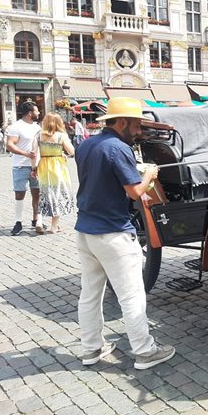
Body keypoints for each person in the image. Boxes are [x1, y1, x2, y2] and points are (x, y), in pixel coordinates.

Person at [75, 97, 174, 369]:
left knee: (90, 294)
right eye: (136, 125)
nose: (139, 131)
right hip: (113, 233)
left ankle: (91, 350)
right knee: (131, 295)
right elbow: (134, 192)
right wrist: (149, 175)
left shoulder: (85, 145)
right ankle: (145, 351)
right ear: (121, 123)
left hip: (85, 230)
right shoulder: (118, 148)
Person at [33, 112, 75, 234]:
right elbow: (72, 151)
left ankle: (39, 221)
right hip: (57, 166)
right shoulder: (61, 135)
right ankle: (53, 226)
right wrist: (61, 152)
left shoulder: (39, 135)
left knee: (44, 193)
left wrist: (33, 168)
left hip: (43, 165)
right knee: (58, 194)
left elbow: (34, 152)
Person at [6, 102, 42, 235]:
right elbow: (10, 145)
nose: (38, 113)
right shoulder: (16, 126)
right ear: (30, 113)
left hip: (36, 165)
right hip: (20, 165)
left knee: (36, 193)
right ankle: (18, 222)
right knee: (20, 194)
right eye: (36, 111)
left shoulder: (37, 127)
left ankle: (35, 219)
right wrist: (25, 153)